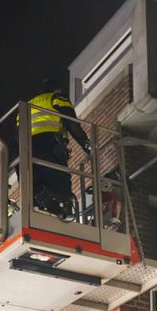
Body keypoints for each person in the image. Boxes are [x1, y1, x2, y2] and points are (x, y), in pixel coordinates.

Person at [20, 79, 91, 217]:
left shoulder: (27, 106)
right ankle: (64, 210)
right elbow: (72, 124)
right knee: (61, 178)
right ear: (57, 89)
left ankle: (44, 206)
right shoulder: (57, 98)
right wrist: (88, 146)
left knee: (39, 182)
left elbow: (18, 131)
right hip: (49, 143)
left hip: (26, 148)